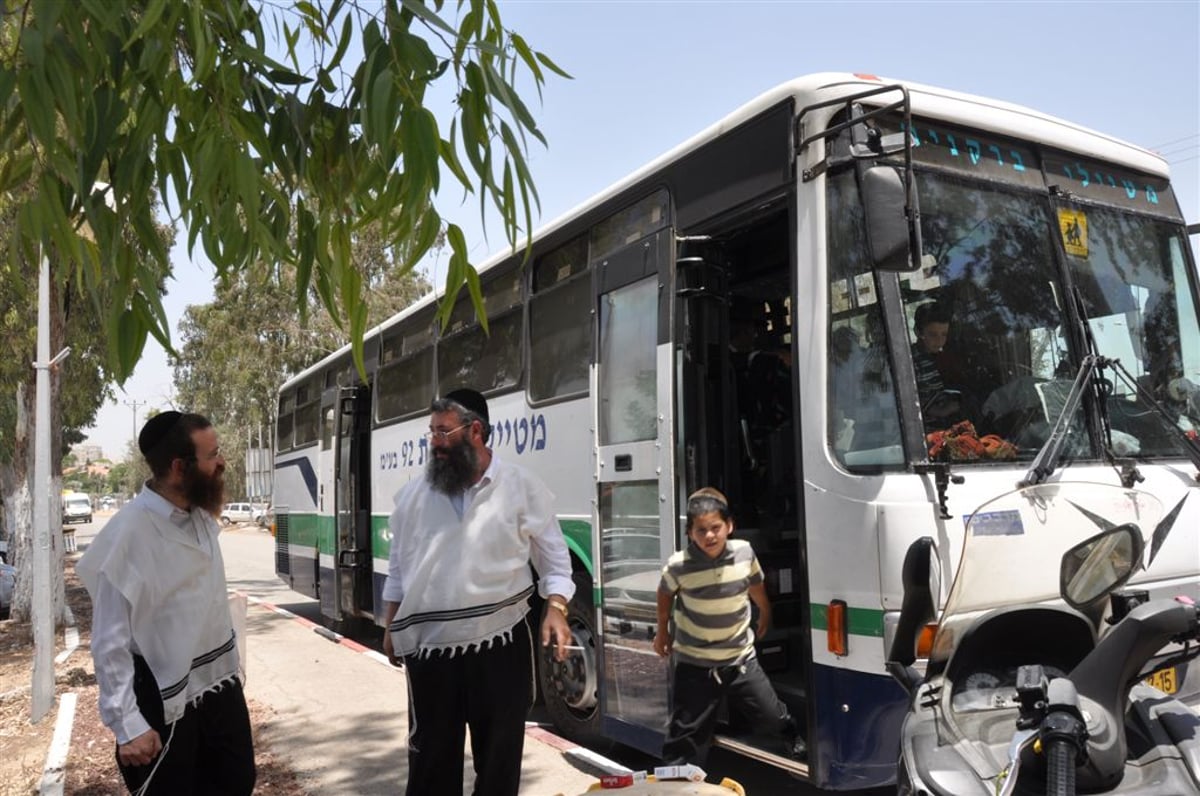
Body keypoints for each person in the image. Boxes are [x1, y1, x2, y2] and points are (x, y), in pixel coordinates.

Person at [381, 388, 575, 796]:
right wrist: (390, 622)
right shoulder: (413, 498)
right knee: (431, 765)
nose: (434, 442)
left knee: (499, 766)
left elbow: (555, 560)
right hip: (430, 653)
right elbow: (399, 567)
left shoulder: (522, 487)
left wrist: (556, 607)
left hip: (501, 647)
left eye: (443, 432)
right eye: (431, 433)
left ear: (475, 431)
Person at [77, 411, 255, 795]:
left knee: (236, 783)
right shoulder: (128, 536)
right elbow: (110, 642)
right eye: (213, 455)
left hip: (219, 688)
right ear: (179, 467)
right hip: (161, 701)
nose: (222, 462)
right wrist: (128, 725)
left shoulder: (200, 515)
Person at [653, 488, 803, 767]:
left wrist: (765, 610)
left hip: (740, 660)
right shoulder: (678, 565)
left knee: (771, 715)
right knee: (685, 736)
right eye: (700, 530)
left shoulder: (744, 552)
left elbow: (755, 584)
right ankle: (677, 783)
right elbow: (664, 595)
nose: (709, 536)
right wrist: (662, 628)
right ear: (689, 533)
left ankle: (790, 734)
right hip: (695, 664)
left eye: (715, 528)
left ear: (729, 526)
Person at [911, 302, 961, 428]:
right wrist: (940, 411)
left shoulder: (942, 357)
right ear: (917, 332)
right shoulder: (912, 362)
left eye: (944, 334)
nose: (939, 341)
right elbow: (909, 401)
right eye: (933, 334)